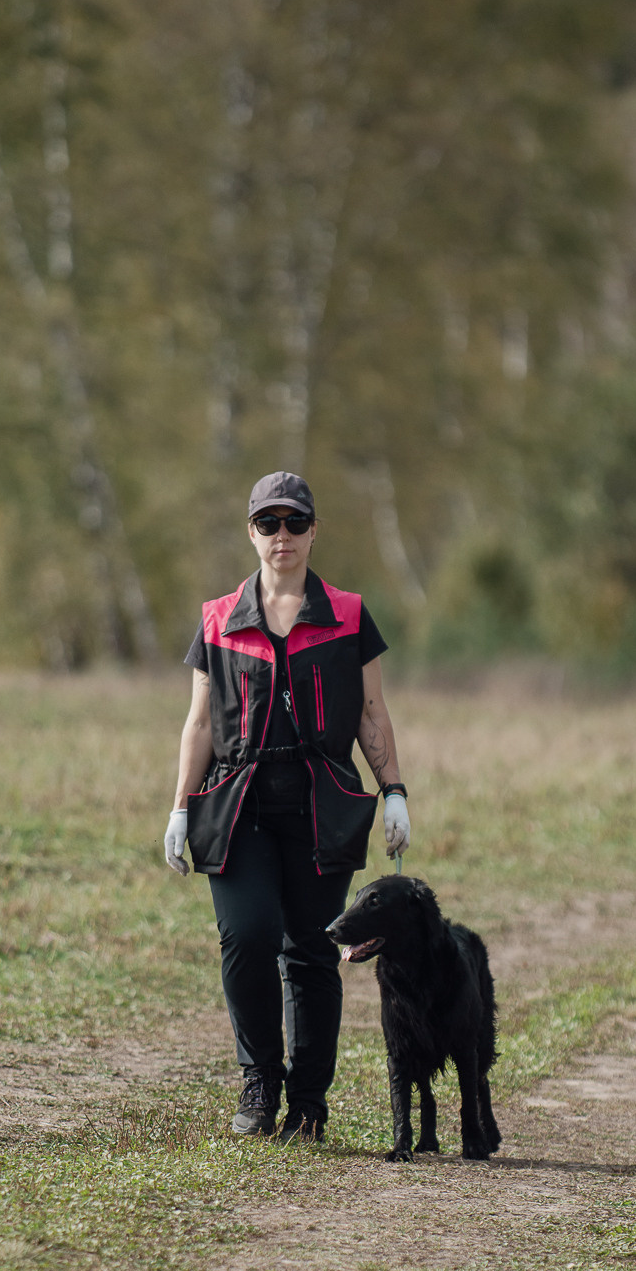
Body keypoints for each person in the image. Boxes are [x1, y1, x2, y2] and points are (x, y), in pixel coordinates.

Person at [164, 471, 410, 1144]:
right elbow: (200, 723)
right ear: (251, 532)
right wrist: (180, 808)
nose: (283, 535)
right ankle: (259, 1082)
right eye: (269, 523)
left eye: (295, 522)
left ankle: (307, 1104)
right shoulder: (218, 618)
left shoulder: (349, 615)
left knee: (311, 950)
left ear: (312, 531)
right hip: (237, 801)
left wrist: (394, 791)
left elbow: (371, 711)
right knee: (246, 937)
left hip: (321, 801)